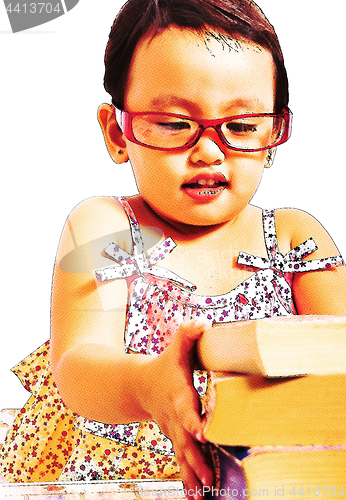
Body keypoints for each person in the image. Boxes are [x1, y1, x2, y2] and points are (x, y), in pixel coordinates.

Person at [0, 0, 345, 496]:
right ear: (118, 132)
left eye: (243, 126)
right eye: (172, 124)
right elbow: (77, 364)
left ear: (274, 135)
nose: (209, 151)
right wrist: (146, 384)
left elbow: (339, 353)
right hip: (112, 481)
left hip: (258, 477)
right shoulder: (104, 226)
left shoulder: (296, 239)